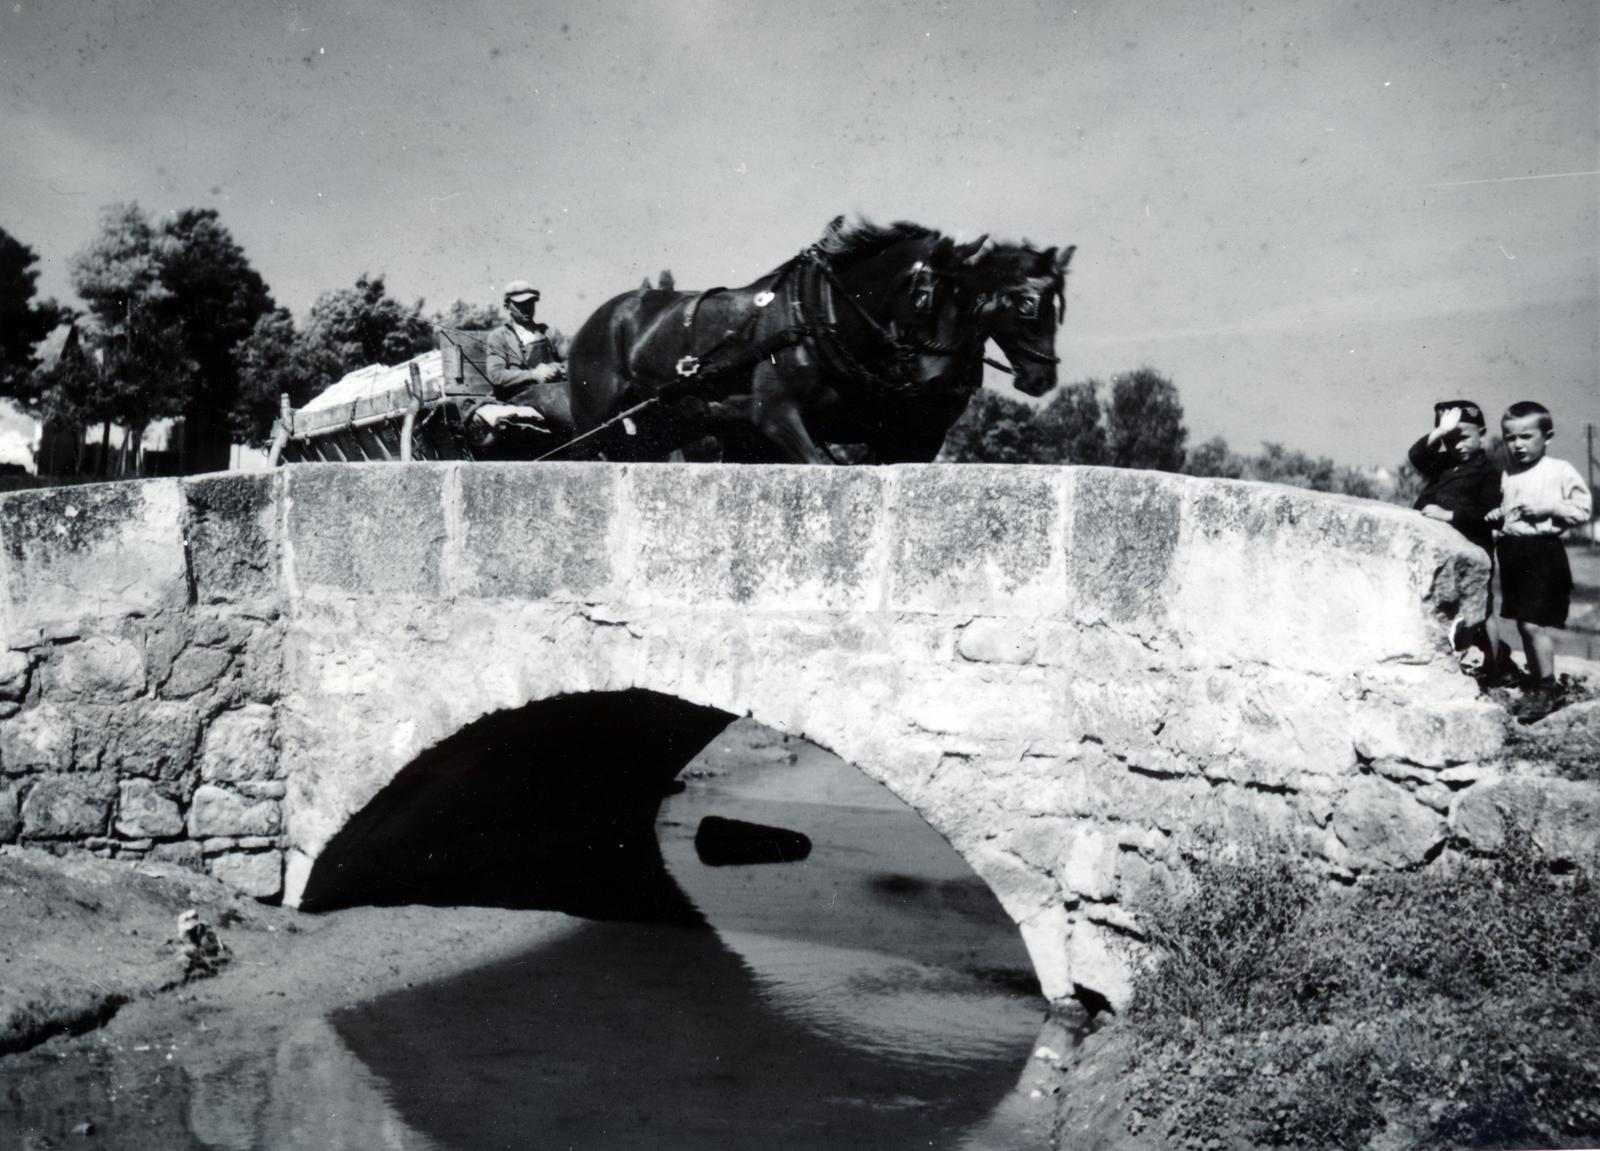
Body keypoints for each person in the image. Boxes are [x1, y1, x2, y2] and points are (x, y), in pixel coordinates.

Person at [1485, 400, 1593, 703]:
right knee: (1522, 623)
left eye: (1526, 436)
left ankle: (1547, 686)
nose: (1517, 445)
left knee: (1533, 623)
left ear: (1547, 436)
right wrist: (1497, 515)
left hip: (1543, 553)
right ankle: (1537, 680)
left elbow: (1582, 509)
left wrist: (1551, 507)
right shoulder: (1507, 473)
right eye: (1510, 437)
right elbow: (1506, 511)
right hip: (1511, 552)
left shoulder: (1559, 470)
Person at [1409, 401, 1503, 675]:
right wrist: (1440, 432)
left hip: (1473, 548)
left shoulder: (1488, 470)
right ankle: (1454, 661)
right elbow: (1416, 455)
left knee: (1481, 611)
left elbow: (1487, 512)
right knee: (1444, 608)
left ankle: (1493, 668)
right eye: (1449, 441)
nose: (1457, 446)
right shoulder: (1442, 464)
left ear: (1481, 433)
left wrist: (1449, 515)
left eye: (1463, 437)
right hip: (1439, 551)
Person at [471, 280, 572, 450]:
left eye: (531, 303)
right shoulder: (500, 337)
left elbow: (572, 361)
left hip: (553, 393)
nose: (527, 308)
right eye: (521, 304)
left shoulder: (549, 332)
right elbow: (497, 375)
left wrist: (558, 368)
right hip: (518, 397)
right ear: (507, 306)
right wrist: (534, 374)